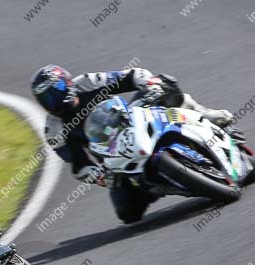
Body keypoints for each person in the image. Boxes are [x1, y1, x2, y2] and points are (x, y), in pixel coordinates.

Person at [30, 65, 234, 222]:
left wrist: (150, 85)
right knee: (127, 214)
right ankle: (157, 186)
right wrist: (100, 176)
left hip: (131, 120)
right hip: (114, 157)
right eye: (45, 99)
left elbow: (130, 76)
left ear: (67, 83)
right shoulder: (53, 131)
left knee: (166, 84)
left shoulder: (86, 82)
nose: (52, 100)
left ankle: (204, 115)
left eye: (56, 90)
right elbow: (78, 165)